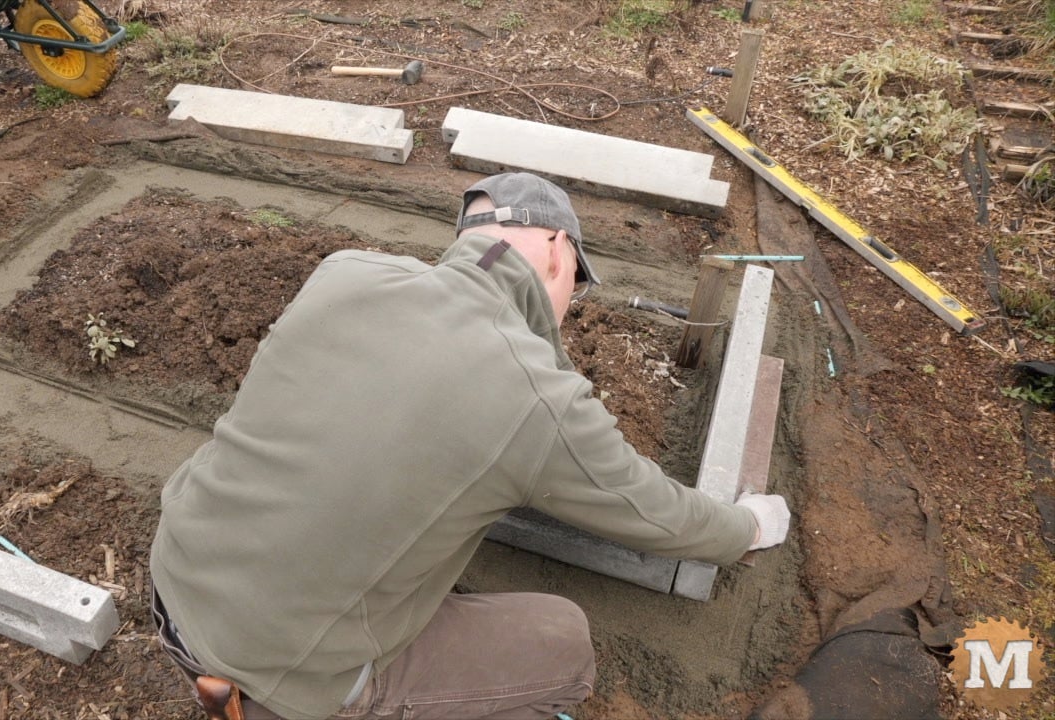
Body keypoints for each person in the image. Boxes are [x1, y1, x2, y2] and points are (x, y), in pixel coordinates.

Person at [148, 172, 791, 720]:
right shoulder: (539, 397)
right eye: (577, 282)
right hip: (285, 677)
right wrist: (748, 525)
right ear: (557, 251)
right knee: (561, 641)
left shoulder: (345, 272)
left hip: (173, 575)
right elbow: (660, 515)